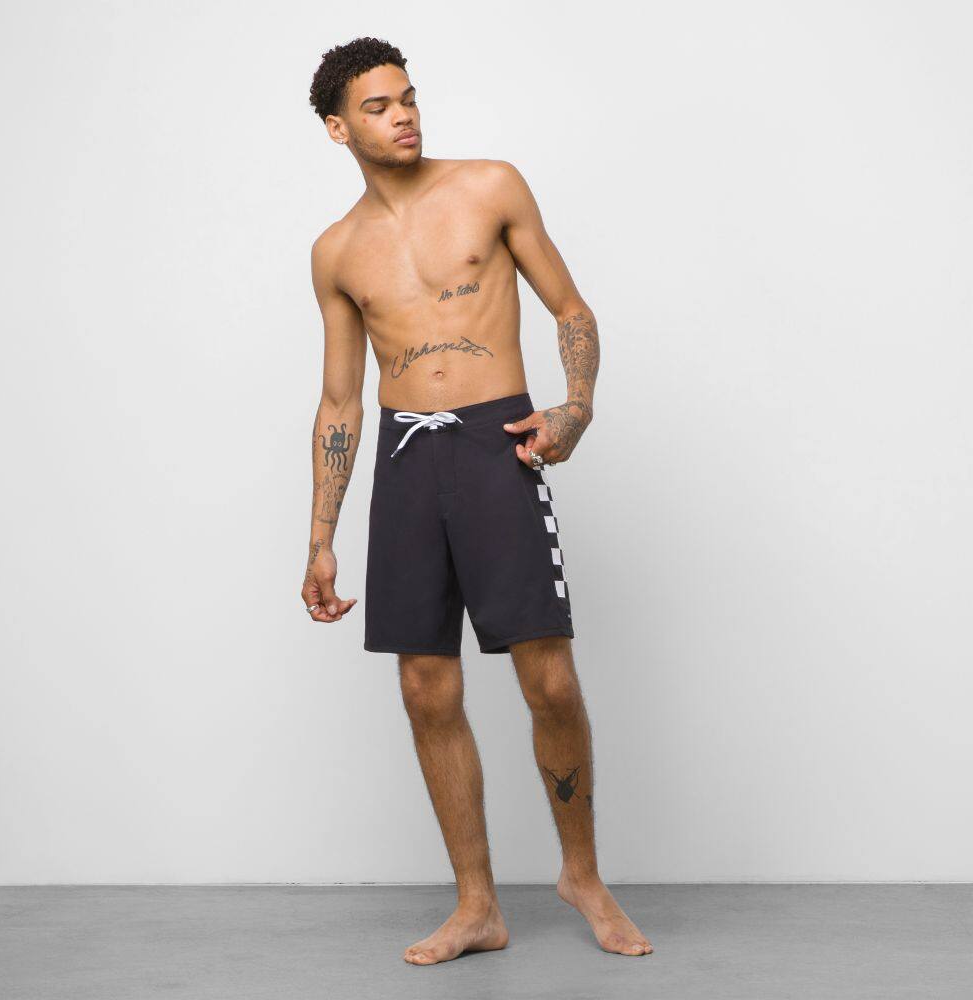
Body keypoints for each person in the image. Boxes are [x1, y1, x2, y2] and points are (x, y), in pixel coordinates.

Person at [302, 36, 653, 965]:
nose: (403, 116)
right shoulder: (336, 251)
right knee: (427, 688)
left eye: (408, 98)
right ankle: (477, 906)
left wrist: (576, 406)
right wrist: (322, 537)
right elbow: (339, 402)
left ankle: (582, 875)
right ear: (338, 129)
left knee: (548, 678)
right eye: (378, 107)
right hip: (404, 459)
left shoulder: (491, 186)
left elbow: (571, 310)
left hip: (499, 443)